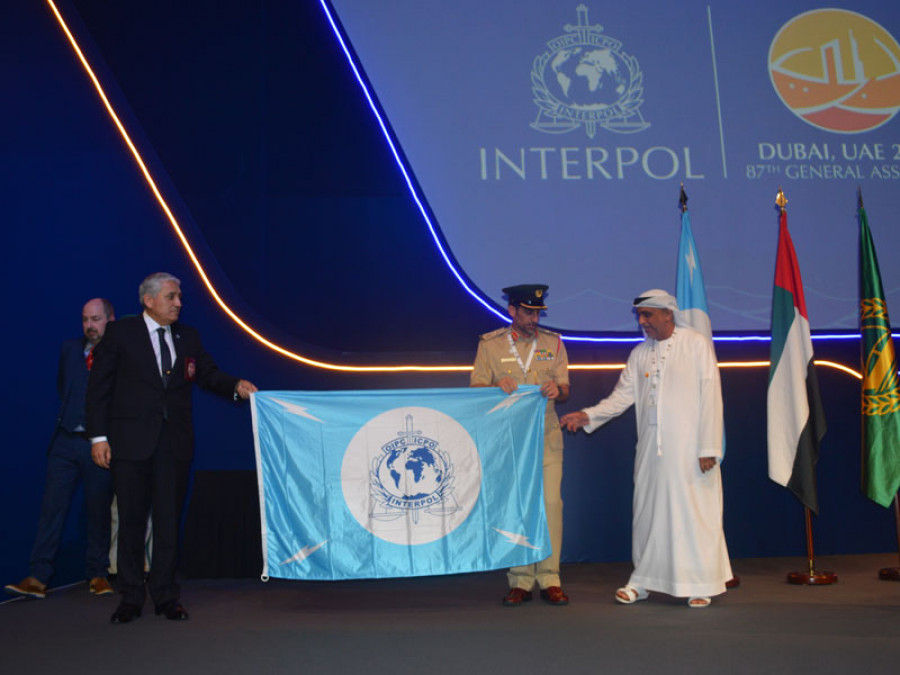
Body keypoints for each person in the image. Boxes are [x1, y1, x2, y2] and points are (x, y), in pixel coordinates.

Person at [87, 272, 258, 624]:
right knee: (132, 523)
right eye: (171, 296)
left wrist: (235, 385)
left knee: (167, 523)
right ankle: (131, 597)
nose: (179, 302)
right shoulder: (121, 334)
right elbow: (99, 387)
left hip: (173, 446)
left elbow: (208, 374)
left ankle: (166, 596)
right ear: (148, 301)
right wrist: (98, 437)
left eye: (179, 296)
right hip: (130, 444)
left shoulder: (188, 336)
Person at [560, 289, 731, 608]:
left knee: (693, 513)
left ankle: (700, 583)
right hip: (652, 451)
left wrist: (708, 446)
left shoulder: (696, 344)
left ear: (668, 313)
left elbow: (711, 395)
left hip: (692, 450)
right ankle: (644, 580)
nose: (642, 322)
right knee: (648, 513)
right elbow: (622, 397)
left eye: (648, 315)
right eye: (639, 316)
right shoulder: (640, 353)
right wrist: (588, 415)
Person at [5, 299, 116, 600]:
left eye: (96, 319)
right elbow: (63, 386)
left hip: (100, 444)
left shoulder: (120, 353)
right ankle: (39, 577)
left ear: (110, 319)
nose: (90, 325)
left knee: (98, 510)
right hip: (66, 441)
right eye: (84, 320)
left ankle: (98, 574)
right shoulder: (70, 349)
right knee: (51, 508)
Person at [470, 284, 570, 606]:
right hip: (509, 441)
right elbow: (476, 388)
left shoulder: (553, 343)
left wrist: (558, 389)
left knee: (551, 506)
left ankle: (550, 577)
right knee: (517, 507)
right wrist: (495, 385)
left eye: (538, 313)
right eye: (527, 312)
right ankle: (521, 579)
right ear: (512, 310)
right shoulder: (490, 345)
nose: (533, 319)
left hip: (546, 439)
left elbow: (565, 387)